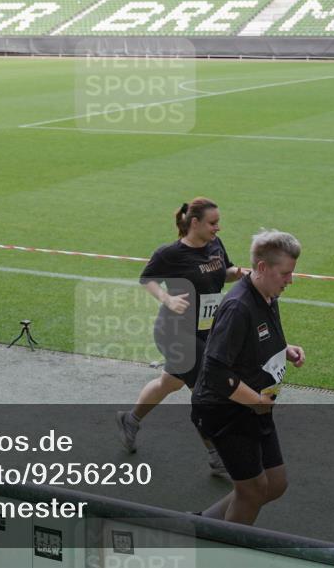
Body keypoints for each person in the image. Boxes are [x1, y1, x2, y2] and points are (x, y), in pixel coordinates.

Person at [116, 198, 247, 476]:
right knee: (205, 388)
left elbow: (223, 273)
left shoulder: (215, 246)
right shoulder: (170, 253)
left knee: (170, 382)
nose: (218, 228)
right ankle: (216, 455)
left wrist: (241, 274)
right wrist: (167, 298)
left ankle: (131, 419)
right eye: (212, 223)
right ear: (195, 223)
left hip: (204, 331)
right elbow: (147, 279)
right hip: (174, 332)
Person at [190, 229, 306, 525]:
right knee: (253, 491)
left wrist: (285, 348)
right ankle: (223, 551)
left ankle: (203, 524)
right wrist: (255, 401)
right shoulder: (238, 306)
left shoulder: (267, 293)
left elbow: (256, 339)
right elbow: (215, 371)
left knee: (275, 483)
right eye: (286, 273)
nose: (290, 280)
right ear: (263, 268)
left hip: (254, 406)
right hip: (225, 410)